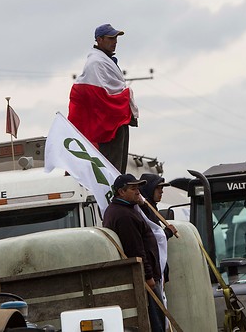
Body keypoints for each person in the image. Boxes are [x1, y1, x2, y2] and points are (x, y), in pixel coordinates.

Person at [68, 24, 139, 173]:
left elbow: (110, 89)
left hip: (117, 119)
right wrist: (124, 96)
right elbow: (98, 96)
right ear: (99, 39)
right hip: (108, 122)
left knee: (119, 167)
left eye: (116, 38)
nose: (115, 41)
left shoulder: (105, 60)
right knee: (112, 167)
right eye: (111, 38)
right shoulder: (96, 62)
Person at [103, 174, 164, 332]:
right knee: (156, 323)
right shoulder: (124, 215)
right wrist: (148, 277)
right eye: (133, 188)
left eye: (138, 188)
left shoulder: (125, 210)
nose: (138, 192)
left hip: (143, 276)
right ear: (121, 192)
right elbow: (135, 250)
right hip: (143, 279)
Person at [139, 173, 177, 283]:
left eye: (162, 188)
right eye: (158, 188)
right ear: (149, 189)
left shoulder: (152, 208)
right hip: (152, 272)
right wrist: (169, 232)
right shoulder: (144, 210)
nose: (161, 191)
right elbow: (151, 238)